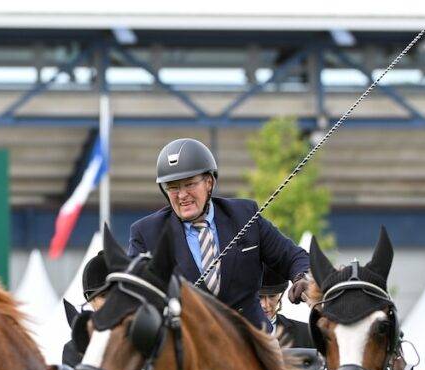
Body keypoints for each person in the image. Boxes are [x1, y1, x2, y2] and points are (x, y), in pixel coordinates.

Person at [128, 138, 310, 330]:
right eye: (173, 187)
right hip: (187, 339)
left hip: (250, 335)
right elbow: (134, 292)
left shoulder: (245, 215)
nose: (182, 195)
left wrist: (302, 277)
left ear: (209, 182)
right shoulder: (146, 233)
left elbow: (292, 256)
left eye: (189, 184)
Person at [62, 251, 109, 367]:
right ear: (90, 300)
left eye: (115, 294)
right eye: (104, 296)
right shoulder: (73, 350)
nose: (111, 301)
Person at [259, 266, 312, 348]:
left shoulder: (306, 333)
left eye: (272, 296)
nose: (265, 305)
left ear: (280, 296)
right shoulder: (237, 332)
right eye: (259, 297)